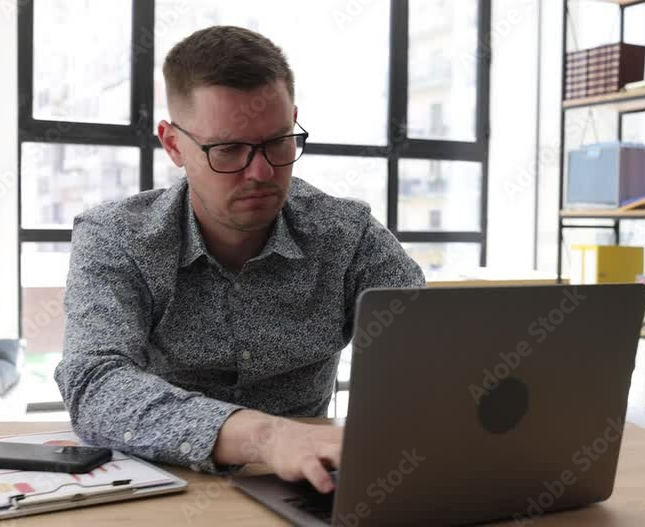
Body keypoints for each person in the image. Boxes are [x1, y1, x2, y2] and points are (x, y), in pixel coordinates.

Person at [55, 25, 425, 494]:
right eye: (228, 149)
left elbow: (426, 355)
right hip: (167, 487)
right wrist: (266, 437)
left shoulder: (348, 236)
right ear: (173, 145)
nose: (262, 172)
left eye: (277, 142)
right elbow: (95, 385)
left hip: (316, 487)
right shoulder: (118, 238)